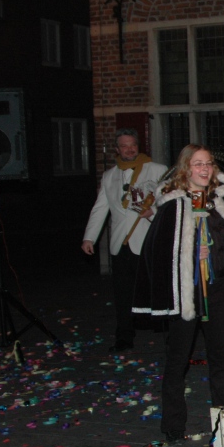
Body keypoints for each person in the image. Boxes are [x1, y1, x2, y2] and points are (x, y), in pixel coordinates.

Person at [132, 145, 224, 443]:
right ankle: (173, 423)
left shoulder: (216, 203)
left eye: (208, 164)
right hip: (185, 293)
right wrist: (187, 255)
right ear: (186, 168)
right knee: (178, 359)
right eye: (197, 164)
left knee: (219, 356)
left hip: (215, 290)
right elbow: (158, 251)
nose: (204, 169)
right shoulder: (173, 205)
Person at [81, 128, 168, 353]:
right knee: (122, 293)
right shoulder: (109, 175)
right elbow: (100, 208)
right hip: (121, 243)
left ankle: (166, 332)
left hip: (147, 240)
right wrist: (89, 237)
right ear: (117, 150)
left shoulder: (158, 170)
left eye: (133, 145)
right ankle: (124, 337)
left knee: (156, 289)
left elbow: (170, 204)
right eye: (124, 146)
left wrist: (153, 212)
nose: (129, 149)